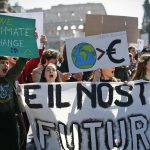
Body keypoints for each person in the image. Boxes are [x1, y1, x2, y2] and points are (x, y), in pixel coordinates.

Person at [0, 56, 27, 150]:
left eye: (7, 63)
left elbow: (21, 63)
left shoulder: (9, 78)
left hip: (11, 121)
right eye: (2, 62)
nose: (5, 65)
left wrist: (29, 43)